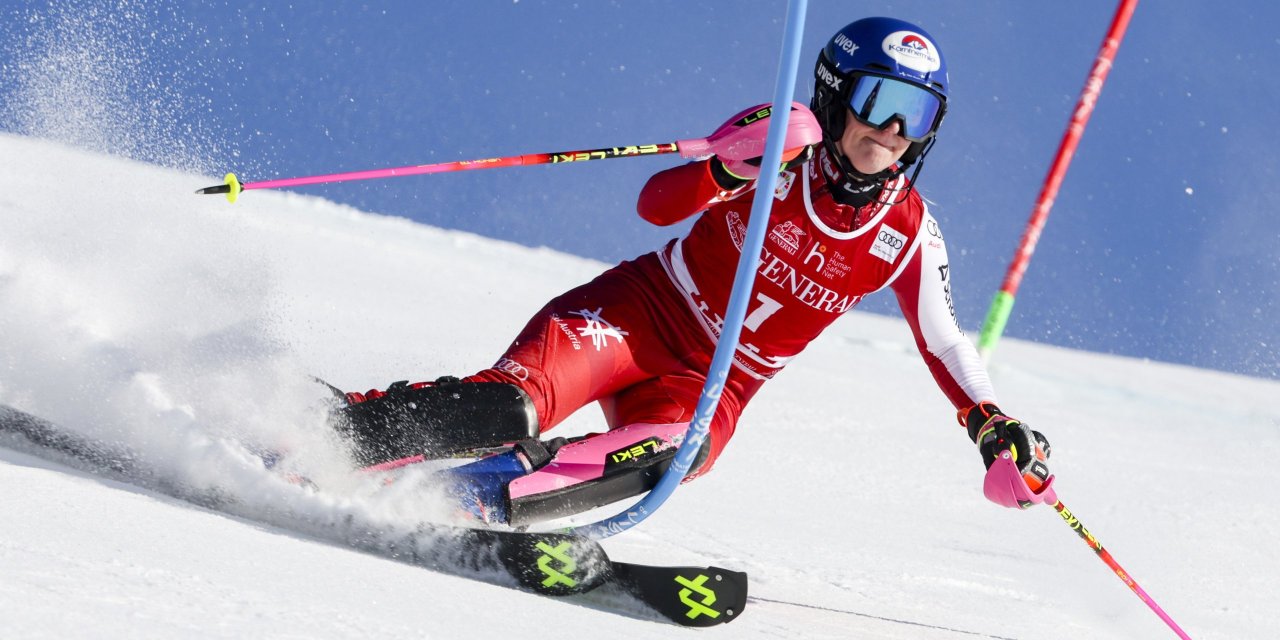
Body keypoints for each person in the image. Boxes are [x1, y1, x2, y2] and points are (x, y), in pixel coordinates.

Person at [334, 17, 1051, 526]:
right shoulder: (783, 147)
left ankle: (470, 498)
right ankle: (325, 434)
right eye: (880, 103)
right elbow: (656, 204)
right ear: (835, 96)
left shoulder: (908, 233)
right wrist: (724, 166)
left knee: (677, 451)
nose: (892, 132)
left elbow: (945, 339)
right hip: (639, 315)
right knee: (509, 407)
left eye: (916, 115)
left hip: (715, 382)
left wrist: (991, 423)